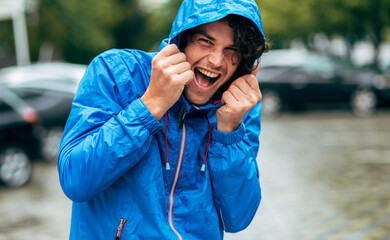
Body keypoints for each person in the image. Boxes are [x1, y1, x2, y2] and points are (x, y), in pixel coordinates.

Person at [58, 0, 269, 239]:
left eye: (233, 51)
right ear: (181, 41)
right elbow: (75, 179)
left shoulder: (239, 107)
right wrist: (151, 105)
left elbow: (238, 218)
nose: (217, 60)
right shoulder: (117, 72)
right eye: (206, 42)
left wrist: (229, 132)